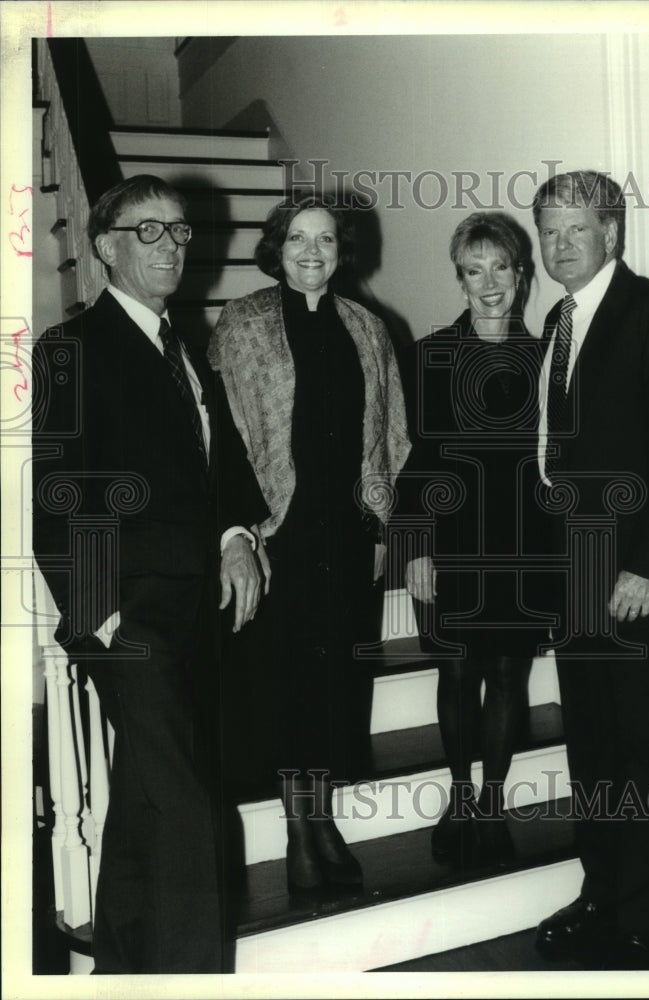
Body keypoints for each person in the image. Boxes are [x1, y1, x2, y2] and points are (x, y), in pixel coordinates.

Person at [32, 175, 270, 973]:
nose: (171, 246)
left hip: (193, 610)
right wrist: (100, 611)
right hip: (127, 617)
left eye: (179, 231)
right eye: (150, 232)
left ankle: (124, 967)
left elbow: (222, 462)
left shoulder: (182, 348)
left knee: (144, 799)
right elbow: (61, 486)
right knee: (190, 813)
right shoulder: (72, 348)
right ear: (104, 248)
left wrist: (236, 535)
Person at [530, 171, 649, 969]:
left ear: (612, 233)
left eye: (574, 229)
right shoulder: (555, 323)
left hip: (642, 580)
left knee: (646, 746)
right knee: (593, 746)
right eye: (547, 232)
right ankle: (602, 888)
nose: (558, 245)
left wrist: (645, 566)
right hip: (574, 570)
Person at [207, 193, 410, 898]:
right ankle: (298, 830)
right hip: (279, 532)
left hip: (346, 535)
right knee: (286, 682)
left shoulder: (368, 327)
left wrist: (381, 523)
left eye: (325, 240)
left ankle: (323, 820)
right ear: (277, 246)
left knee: (336, 684)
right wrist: (242, 531)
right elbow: (224, 436)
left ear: (340, 250)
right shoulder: (243, 323)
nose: (312, 251)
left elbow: (389, 435)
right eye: (298, 238)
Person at [392, 213, 551, 867]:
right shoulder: (430, 355)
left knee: (509, 675)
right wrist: (415, 547)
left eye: (500, 267)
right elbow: (413, 456)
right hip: (451, 542)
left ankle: (490, 800)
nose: (488, 283)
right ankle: (459, 796)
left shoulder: (546, 358)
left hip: (525, 544)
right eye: (473, 269)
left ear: (520, 275)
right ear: (459, 279)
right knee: (457, 672)